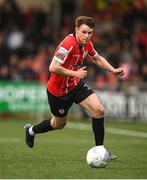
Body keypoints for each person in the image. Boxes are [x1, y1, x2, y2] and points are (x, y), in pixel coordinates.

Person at [24, 16, 125, 160]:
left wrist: (112, 70)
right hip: (58, 92)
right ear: (76, 30)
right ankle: (31, 130)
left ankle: (101, 151)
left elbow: (96, 58)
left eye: (90, 33)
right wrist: (75, 73)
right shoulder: (67, 44)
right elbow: (53, 67)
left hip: (75, 85)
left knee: (99, 110)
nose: (87, 36)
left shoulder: (87, 44)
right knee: (58, 124)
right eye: (84, 32)